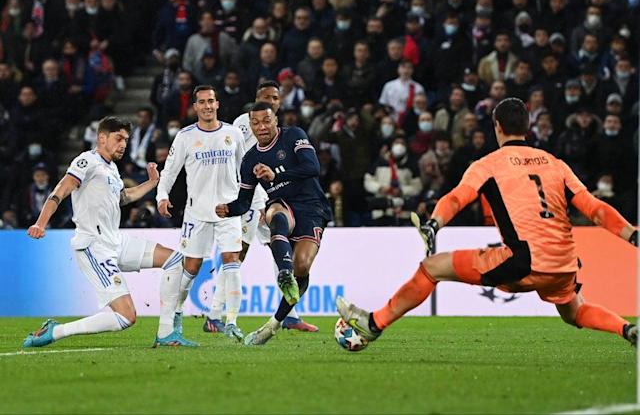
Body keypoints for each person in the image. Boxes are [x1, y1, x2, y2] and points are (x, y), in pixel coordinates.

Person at [337, 98, 638, 348]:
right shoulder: (554, 163)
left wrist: (434, 223)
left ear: (497, 127)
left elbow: (457, 198)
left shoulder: (488, 164)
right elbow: (595, 208)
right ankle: (627, 329)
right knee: (575, 311)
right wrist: (632, 235)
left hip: (522, 261)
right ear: (527, 127)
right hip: (564, 263)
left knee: (432, 268)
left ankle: (372, 324)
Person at [23, 117, 197, 348]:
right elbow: (61, 190)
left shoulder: (111, 168)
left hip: (116, 240)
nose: (123, 144)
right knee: (126, 317)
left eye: (126, 140)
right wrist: (40, 223)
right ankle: (56, 331)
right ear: (102, 138)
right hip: (94, 247)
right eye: (119, 138)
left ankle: (166, 333)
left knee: (175, 260)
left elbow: (123, 197)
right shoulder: (86, 161)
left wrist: (151, 183)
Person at [215, 102, 332, 345]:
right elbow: (244, 202)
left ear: (276, 120)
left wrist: (276, 175)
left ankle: (274, 323)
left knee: (303, 266)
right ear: (250, 126)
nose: (261, 127)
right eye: (255, 123)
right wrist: (228, 209)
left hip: (312, 207)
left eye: (266, 121)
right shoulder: (250, 160)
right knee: (274, 213)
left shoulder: (294, 136)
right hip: (282, 204)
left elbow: (313, 167)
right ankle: (284, 273)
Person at [157, 85, 246, 341]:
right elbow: (170, 171)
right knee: (192, 267)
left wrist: (250, 202)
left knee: (232, 259)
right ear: (195, 107)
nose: (207, 106)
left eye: (211, 101)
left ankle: (231, 321)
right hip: (197, 213)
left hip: (228, 210)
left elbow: (245, 170)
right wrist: (162, 196)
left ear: (217, 104)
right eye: (202, 102)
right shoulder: (185, 136)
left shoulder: (233, 133)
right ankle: (177, 311)